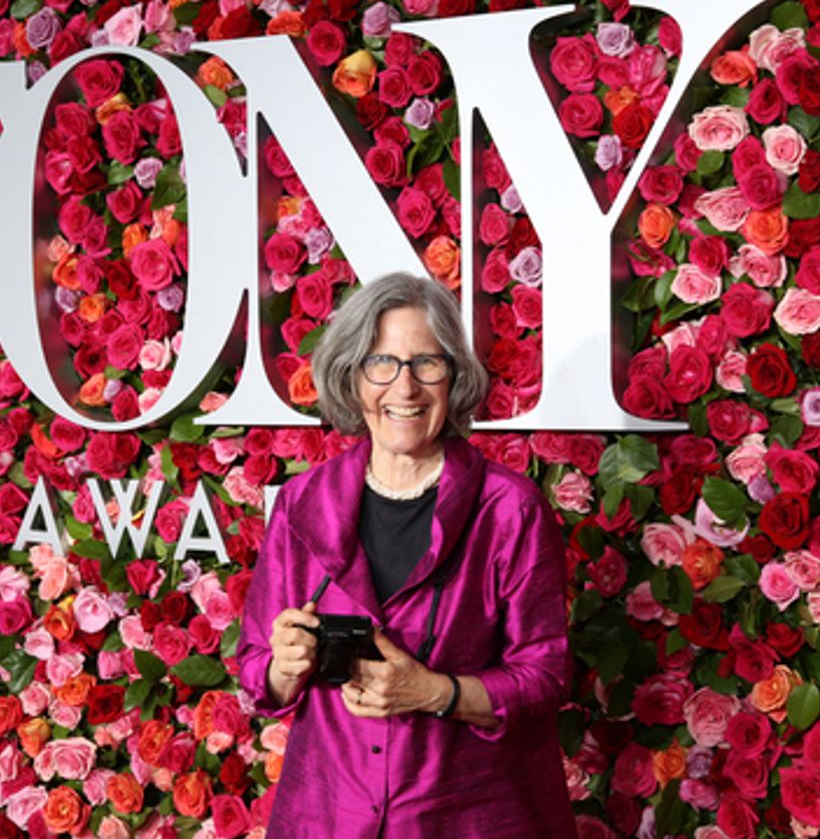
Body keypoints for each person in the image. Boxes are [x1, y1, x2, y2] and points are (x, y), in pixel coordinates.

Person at [237, 272, 576, 838]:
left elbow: (544, 677)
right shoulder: (302, 505)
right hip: (328, 816)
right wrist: (281, 669)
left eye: (427, 364)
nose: (405, 388)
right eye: (382, 364)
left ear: (454, 378)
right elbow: (254, 666)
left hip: (467, 819)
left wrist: (436, 692)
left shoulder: (511, 511)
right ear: (352, 376)